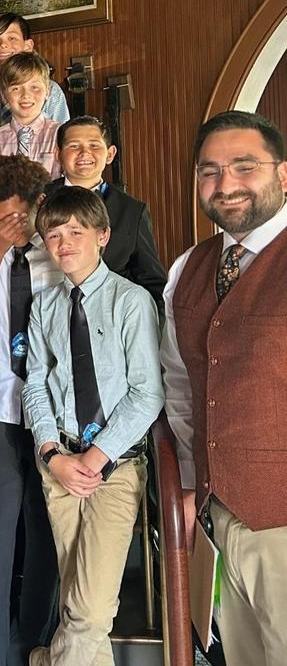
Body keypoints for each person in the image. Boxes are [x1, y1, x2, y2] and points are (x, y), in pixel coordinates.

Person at [161, 110, 287, 666]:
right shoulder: (188, 267)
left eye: (243, 166)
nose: (226, 183)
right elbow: (181, 386)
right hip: (219, 518)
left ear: (283, 175)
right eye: (209, 171)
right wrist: (192, 482)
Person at [25, 186, 163, 666]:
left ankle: (47, 660)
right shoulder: (45, 306)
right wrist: (51, 454)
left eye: (76, 232)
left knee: (87, 608)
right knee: (79, 606)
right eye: (53, 234)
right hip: (59, 467)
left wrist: (96, 457)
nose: (64, 244)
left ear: (103, 235)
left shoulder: (131, 302)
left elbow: (148, 393)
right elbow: (34, 386)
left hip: (114, 467)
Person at [0, 156, 62, 666]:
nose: (5, 227)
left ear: (36, 209)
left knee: (44, 531)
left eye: (14, 218)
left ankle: (34, 642)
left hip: (51, 415)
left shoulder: (60, 254)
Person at [48, 116, 167, 320]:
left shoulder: (131, 211)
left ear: (110, 154)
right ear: (58, 154)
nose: (85, 153)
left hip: (110, 318)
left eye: (94, 145)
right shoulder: (38, 201)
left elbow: (152, 282)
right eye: (74, 146)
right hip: (47, 315)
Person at [0, 13, 69, 138]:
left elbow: (64, 140)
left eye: (12, 38)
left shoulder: (51, 91)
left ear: (28, 46)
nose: (3, 45)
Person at [0, 52, 61, 175]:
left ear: (48, 91)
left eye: (34, 87)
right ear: (4, 95)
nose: (26, 95)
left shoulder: (61, 135)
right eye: (16, 88)